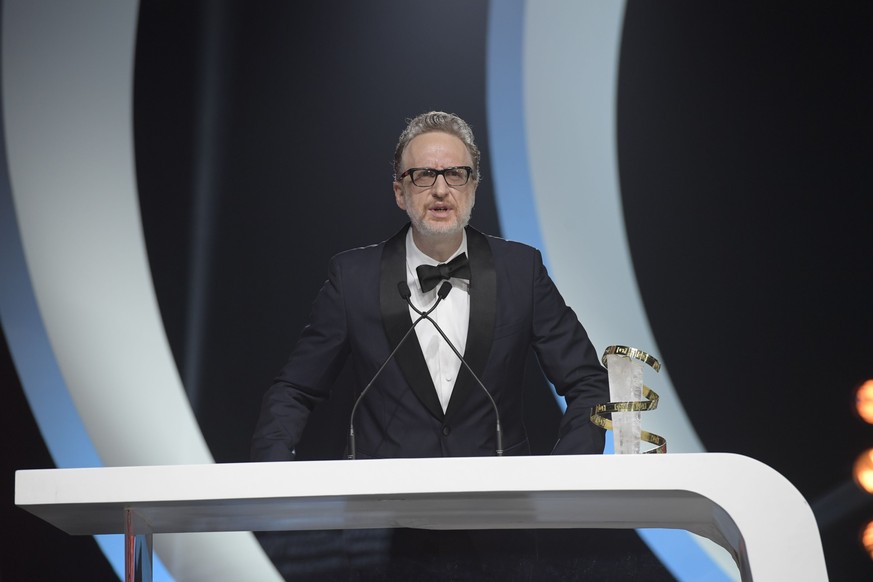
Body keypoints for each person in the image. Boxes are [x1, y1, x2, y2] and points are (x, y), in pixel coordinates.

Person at [251, 111, 608, 462]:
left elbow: (589, 383)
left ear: (473, 187)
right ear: (400, 192)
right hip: (384, 507)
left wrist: (566, 473)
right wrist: (271, 476)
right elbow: (294, 390)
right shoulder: (353, 278)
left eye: (455, 174)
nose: (440, 190)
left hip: (496, 511)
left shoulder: (520, 270)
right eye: (423, 175)